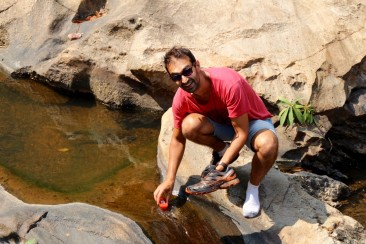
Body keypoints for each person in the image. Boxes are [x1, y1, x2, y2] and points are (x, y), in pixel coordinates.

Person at [153, 46, 278, 218]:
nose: (184, 79)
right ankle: (223, 150)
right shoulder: (181, 99)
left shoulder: (228, 83)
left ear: (197, 65)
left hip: (250, 122)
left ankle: (253, 188)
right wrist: (169, 179)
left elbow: (241, 133)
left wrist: (219, 169)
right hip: (223, 124)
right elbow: (177, 139)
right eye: (176, 77)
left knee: (268, 145)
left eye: (187, 71)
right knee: (188, 125)